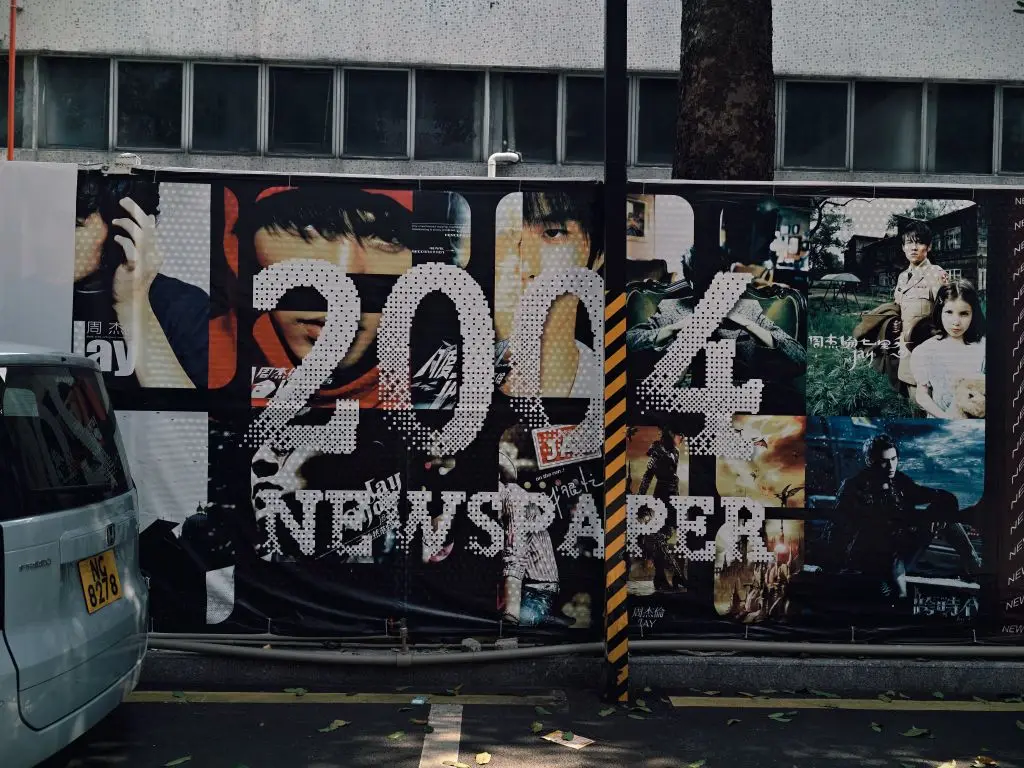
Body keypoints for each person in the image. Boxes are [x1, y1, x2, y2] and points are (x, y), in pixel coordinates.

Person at [212, 185, 469, 406]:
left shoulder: (449, 386)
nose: (342, 276)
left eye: (388, 235)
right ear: (239, 247)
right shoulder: (200, 359)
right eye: (305, 225)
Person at [75, 176, 208, 388]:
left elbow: (188, 409)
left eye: (75, 224)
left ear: (126, 229)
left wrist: (132, 304)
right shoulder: (29, 298)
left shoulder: (185, 308)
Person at [625, 249, 805, 400]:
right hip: (681, 399)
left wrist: (749, 325)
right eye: (703, 282)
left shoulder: (748, 308)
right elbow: (629, 341)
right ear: (690, 282)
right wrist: (673, 328)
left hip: (739, 398)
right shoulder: (671, 308)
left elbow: (799, 356)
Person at [832, 434, 981, 602]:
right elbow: (836, 528)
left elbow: (943, 497)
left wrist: (939, 515)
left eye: (894, 459)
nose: (891, 466)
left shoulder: (899, 481)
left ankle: (976, 568)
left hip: (901, 552)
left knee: (943, 516)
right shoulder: (853, 486)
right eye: (884, 461)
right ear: (870, 461)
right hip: (872, 560)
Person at [494, 191, 604, 398]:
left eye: (553, 233)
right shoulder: (451, 381)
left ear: (597, 256)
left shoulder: (608, 386)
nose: (527, 266)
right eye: (508, 237)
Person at [497, 449, 561, 626]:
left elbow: (515, 558)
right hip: (516, 587)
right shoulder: (499, 501)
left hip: (536, 592)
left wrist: (511, 615)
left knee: (514, 631)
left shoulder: (516, 499)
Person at [910, 280, 986, 419]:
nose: (956, 322)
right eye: (949, 312)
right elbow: (922, 394)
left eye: (964, 314)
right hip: (942, 422)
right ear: (940, 312)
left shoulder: (983, 347)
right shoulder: (926, 351)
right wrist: (946, 418)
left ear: (973, 314)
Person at [891, 221, 948, 402]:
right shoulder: (902, 277)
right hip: (905, 345)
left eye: (919, 242)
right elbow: (899, 308)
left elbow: (947, 311)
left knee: (926, 396)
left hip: (927, 347)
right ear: (903, 247)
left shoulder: (936, 273)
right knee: (909, 391)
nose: (914, 247)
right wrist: (896, 323)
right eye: (909, 242)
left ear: (929, 247)